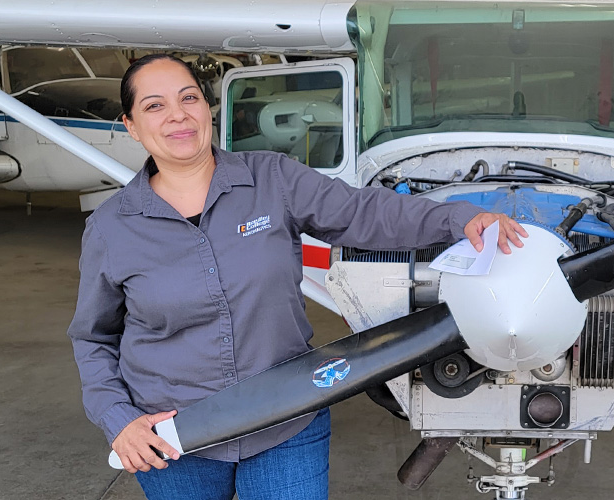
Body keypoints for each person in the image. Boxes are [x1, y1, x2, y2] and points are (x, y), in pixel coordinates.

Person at [66, 54, 527, 500]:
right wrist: (118, 420)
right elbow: (94, 338)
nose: (177, 116)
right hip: (172, 435)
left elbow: (362, 213)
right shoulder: (111, 228)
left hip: (285, 420)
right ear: (130, 125)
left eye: (188, 98)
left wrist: (458, 219)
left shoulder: (272, 179)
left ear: (207, 108)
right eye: (154, 106)